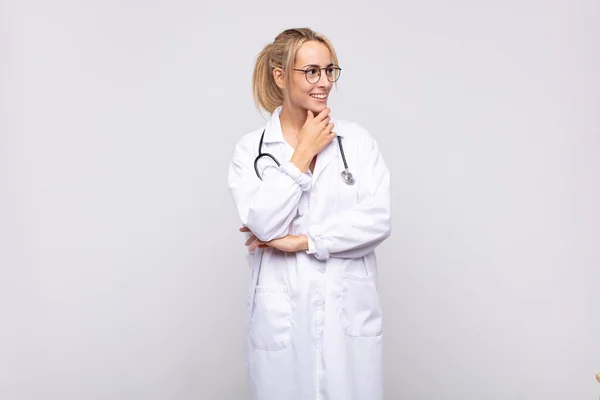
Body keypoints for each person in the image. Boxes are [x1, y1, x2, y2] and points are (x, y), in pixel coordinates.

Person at [227, 27, 391, 400]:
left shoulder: (357, 142)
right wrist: (301, 155)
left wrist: (303, 241)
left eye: (330, 70)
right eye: (312, 71)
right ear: (281, 77)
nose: (324, 82)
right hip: (282, 316)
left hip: (345, 314)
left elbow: (378, 220)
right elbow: (264, 223)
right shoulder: (251, 149)